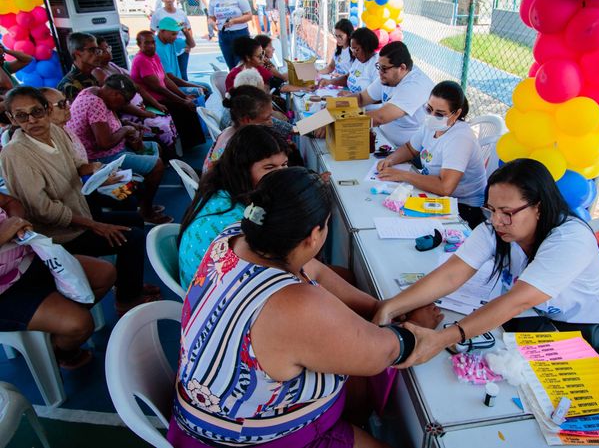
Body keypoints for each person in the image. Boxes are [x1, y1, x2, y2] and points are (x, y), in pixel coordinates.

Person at [169, 166, 435, 448]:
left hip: (203, 416)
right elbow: (382, 353)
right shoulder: (290, 303)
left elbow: (316, 272)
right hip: (244, 440)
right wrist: (418, 327)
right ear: (314, 235)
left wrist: (380, 306)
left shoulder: (234, 237)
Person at [374, 158, 599, 365]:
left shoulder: (569, 240)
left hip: (591, 332)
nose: (496, 221)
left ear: (538, 207)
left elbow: (518, 301)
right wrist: (391, 307)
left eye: (507, 212)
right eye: (491, 210)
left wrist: (441, 339)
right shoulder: (497, 229)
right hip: (541, 316)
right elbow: (452, 274)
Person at [1, 86, 161, 315]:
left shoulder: (55, 132)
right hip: (57, 233)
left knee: (134, 218)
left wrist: (99, 172)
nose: (31, 120)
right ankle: (126, 300)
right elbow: (42, 210)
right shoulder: (15, 154)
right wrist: (95, 225)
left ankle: (127, 285)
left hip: (78, 215)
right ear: (11, 118)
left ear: (46, 110)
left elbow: (76, 167)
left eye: (36, 111)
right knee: (132, 238)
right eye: (21, 116)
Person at [0, 193, 116, 369]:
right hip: (6, 294)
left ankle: (58, 332)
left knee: (104, 274)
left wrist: (17, 221)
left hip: (29, 260)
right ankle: (58, 352)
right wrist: (3, 234)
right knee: (80, 324)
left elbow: (9, 201)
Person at [179, 125, 289, 287]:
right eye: (270, 167)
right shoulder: (240, 221)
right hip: (212, 298)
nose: (282, 174)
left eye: (284, 164)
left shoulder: (220, 188)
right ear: (243, 170)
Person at [65, 74, 173, 224]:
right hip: (100, 158)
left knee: (155, 147)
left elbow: (102, 123)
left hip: (113, 150)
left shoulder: (94, 91)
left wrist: (125, 123)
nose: (124, 105)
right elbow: (104, 143)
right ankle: (145, 211)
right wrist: (126, 130)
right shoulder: (95, 103)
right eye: (125, 101)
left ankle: (142, 201)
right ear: (115, 94)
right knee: (157, 165)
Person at [377, 81, 487, 228]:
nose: (432, 116)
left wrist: (403, 175)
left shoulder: (460, 139)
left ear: (457, 114)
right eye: (429, 109)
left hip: (463, 207)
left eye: (440, 114)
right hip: (436, 195)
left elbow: (445, 187)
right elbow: (410, 149)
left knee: (407, 223)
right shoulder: (431, 124)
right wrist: (390, 160)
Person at [92, 37, 179, 154]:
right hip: (129, 114)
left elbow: (137, 87)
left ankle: (174, 153)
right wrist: (144, 113)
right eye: (104, 49)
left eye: (108, 47)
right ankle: (169, 156)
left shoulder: (113, 66)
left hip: (141, 107)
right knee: (160, 124)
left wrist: (156, 104)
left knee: (167, 114)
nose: (109, 51)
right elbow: (120, 102)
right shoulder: (98, 72)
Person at [130, 30, 206, 149]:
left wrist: (184, 96)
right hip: (152, 101)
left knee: (190, 103)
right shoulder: (141, 60)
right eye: (147, 43)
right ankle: (185, 146)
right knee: (185, 107)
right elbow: (158, 88)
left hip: (163, 96)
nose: (151, 46)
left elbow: (166, 80)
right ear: (139, 45)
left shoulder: (154, 56)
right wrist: (182, 101)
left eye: (153, 43)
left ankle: (191, 144)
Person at [352, 41, 434, 147]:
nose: (380, 72)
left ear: (402, 68)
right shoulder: (387, 76)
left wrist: (336, 124)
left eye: (384, 68)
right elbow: (361, 98)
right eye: (379, 66)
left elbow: (381, 117)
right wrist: (331, 109)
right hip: (383, 141)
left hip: (408, 152)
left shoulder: (416, 85)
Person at [203, 85, 295, 172]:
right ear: (246, 120)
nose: (271, 122)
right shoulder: (243, 147)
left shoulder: (229, 131)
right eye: (267, 118)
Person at [152, 18, 213, 98]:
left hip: (176, 82)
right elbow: (169, 78)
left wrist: (185, 31)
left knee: (206, 87)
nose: (175, 37)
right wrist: (192, 86)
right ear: (162, 31)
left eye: (177, 34)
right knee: (201, 90)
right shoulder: (158, 48)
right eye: (173, 34)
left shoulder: (170, 41)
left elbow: (191, 44)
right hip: (168, 86)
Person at [151, 0, 196, 81]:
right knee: (170, 73)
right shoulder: (158, 14)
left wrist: (186, 35)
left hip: (180, 48)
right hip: (170, 85)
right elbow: (152, 30)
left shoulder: (181, 13)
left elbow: (189, 31)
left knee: (182, 72)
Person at [320, 27, 379, 95]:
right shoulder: (359, 60)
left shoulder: (376, 65)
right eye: (352, 49)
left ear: (367, 47)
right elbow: (347, 77)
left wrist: (353, 96)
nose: (353, 54)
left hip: (365, 105)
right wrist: (330, 82)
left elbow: (378, 96)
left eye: (356, 50)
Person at [209, 0, 253, 69]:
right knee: (231, 67)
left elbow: (249, 15)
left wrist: (234, 21)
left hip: (240, 34)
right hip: (223, 36)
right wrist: (212, 23)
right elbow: (210, 18)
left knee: (241, 65)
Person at [56, 33, 101, 102]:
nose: (97, 54)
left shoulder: (92, 78)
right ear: (77, 54)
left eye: (97, 50)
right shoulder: (68, 86)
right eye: (92, 50)